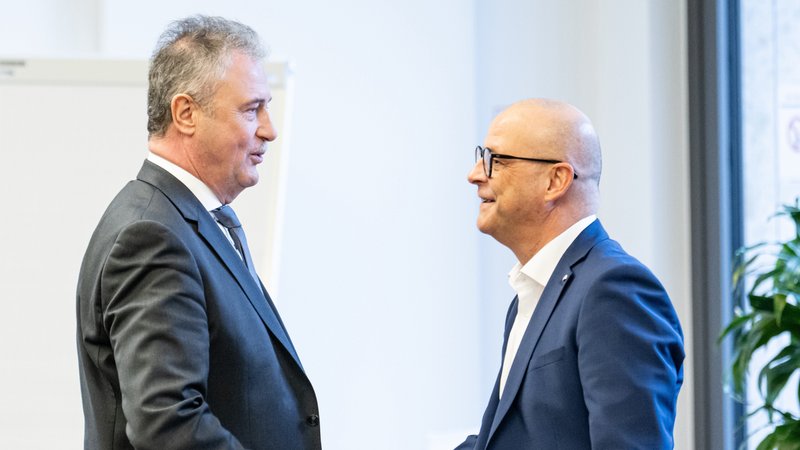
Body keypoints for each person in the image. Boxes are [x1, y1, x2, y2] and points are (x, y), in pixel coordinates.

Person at [76, 16, 320, 450]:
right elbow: (169, 426)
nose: (270, 129)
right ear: (186, 113)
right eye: (251, 109)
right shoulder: (153, 236)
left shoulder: (190, 220)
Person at [456, 99, 684, 449]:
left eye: (495, 160)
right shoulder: (534, 291)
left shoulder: (614, 289)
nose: (475, 174)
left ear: (556, 180)